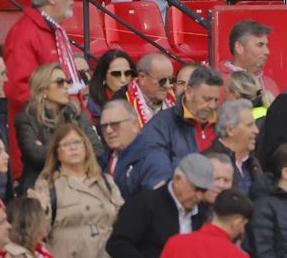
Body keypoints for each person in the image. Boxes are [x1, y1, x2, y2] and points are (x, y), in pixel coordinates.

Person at [123, 67, 223, 197]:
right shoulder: (161, 125)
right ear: (189, 92)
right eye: (206, 99)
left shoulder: (224, 124)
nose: (212, 106)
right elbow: (152, 169)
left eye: (215, 100)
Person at [107, 152, 214, 258]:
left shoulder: (203, 212)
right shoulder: (145, 203)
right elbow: (117, 244)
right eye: (196, 189)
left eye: (204, 191)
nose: (199, 196)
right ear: (177, 179)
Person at [42, 123, 123, 258]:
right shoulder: (47, 185)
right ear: (57, 152)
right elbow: (38, 231)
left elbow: (123, 218)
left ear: (86, 147)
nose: (73, 148)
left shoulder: (106, 181)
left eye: (77, 143)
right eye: (66, 144)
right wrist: (41, 210)